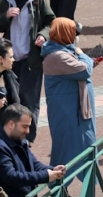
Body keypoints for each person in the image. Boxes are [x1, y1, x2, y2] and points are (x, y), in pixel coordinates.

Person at [0, 0, 54, 114]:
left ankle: (29, 129)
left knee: (30, 101)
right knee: (14, 100)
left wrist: (43, 35)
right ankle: (15, 129)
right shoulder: (6, 1)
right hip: (11, 61)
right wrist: (6, 16)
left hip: (31, 59)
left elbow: (51, 22)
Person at [39, 18, 97, 166]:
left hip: (78, 111)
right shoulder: (56, 55)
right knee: (65, 151)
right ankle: (60, 180)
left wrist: (86, 61)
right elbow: (84, 70)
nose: (75, 36)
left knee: (86, 148)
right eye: (72, 32)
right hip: (66, 113)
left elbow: (79, 69)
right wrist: (84, 56)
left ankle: (88, 178)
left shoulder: (65, 50)